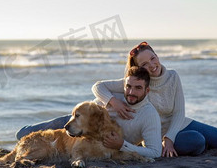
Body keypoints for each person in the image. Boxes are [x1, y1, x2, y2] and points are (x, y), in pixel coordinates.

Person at [92, 41, 217, 157]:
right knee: (197, 141)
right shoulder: (138, 84)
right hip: (157, 135)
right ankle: (199, 145)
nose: (152, 65)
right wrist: (113, 102)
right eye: (144, 64)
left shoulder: (173, 76)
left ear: (157, 56)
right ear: (139, 68)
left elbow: (179, 112)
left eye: (152, 58)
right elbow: (98, 87)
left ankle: (199, 144)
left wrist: (170, 139)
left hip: (180, 124)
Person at [17, 66, 162, 159]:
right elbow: (97, 86)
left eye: (137, 88)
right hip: (78, 119)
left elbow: (155, 152)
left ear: (147, 90)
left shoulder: (149, 115)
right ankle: (21, 139)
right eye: (128, 86)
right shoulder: (118, 94)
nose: (131, 92)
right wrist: (113, 101)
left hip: (90, 132)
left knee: (44, 145)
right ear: (123, 85)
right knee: (26, 134)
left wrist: (121, 144)